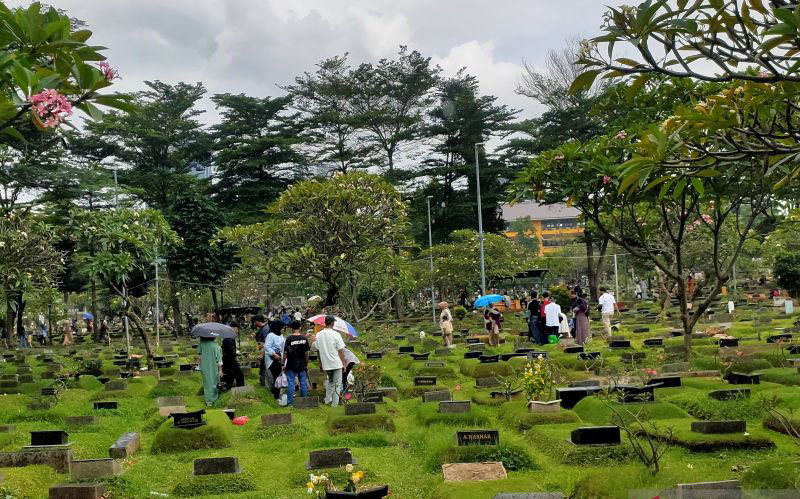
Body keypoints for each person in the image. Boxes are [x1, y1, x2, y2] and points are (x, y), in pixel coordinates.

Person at [311, 315, 346, 407]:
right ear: (331, 323)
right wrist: (344, 363)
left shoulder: (319, 335)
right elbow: (341, 350)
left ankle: (327, 400)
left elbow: (316, 349)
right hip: (336, 363)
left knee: (331, 381)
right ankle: (334, 404)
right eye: (333, 322)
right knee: (337, 384)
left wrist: (321, 364)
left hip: (326, 364)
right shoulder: (336, 334)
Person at [282, 321, 310, 406]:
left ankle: (290, 402)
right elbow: (307, 353)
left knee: (291, 383)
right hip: (302, 363)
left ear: (292, 329)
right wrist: (306, 363)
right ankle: (304, 400)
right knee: (303, 382)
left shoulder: (289, 338)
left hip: (291, 363)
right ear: (300, 328)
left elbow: (285, 353)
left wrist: (283, 363)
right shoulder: (304, 339)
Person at [197, 335, 223, 406]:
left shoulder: (201, 344)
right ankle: (214, 398)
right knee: (215, 381)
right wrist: (220, 370)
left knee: (207, 383)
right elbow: (219, 360)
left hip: (204, 366)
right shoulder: (216, 345)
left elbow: (199, 357)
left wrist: (198, 366)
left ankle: (208, 400)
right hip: (214, 366)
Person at [264, 319, 286, 399]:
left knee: (280, 375)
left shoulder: (280, 335)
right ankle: (276, 395)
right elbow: (267, 347)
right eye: (282, 327)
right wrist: (273, 354)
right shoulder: (271, 335)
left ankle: (279, 393)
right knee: (277, 375)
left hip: (280, 357)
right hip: (272, 358)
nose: (283, 329)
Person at [221, 321, 244, 390]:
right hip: (230, 360)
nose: (237, 331)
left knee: (230, 376)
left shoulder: (229, 336)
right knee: (239, 375)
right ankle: (241, 389)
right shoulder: (229, 338)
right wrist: (236, 354)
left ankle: (228, 388)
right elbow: (230, 350)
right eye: (237, 329)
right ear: (233, 328)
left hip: (229, 360)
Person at [253, 315, 269, 386]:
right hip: (262, 351)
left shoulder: (265, 329)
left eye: (254, 322)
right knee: (262, 367)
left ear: (257, 321)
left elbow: (266, 342)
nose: (254, 323)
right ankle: (263, 383)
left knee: (264, 368)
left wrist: (262, 353)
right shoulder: (261, 329)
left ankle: (265, 383)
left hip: (265, 351)